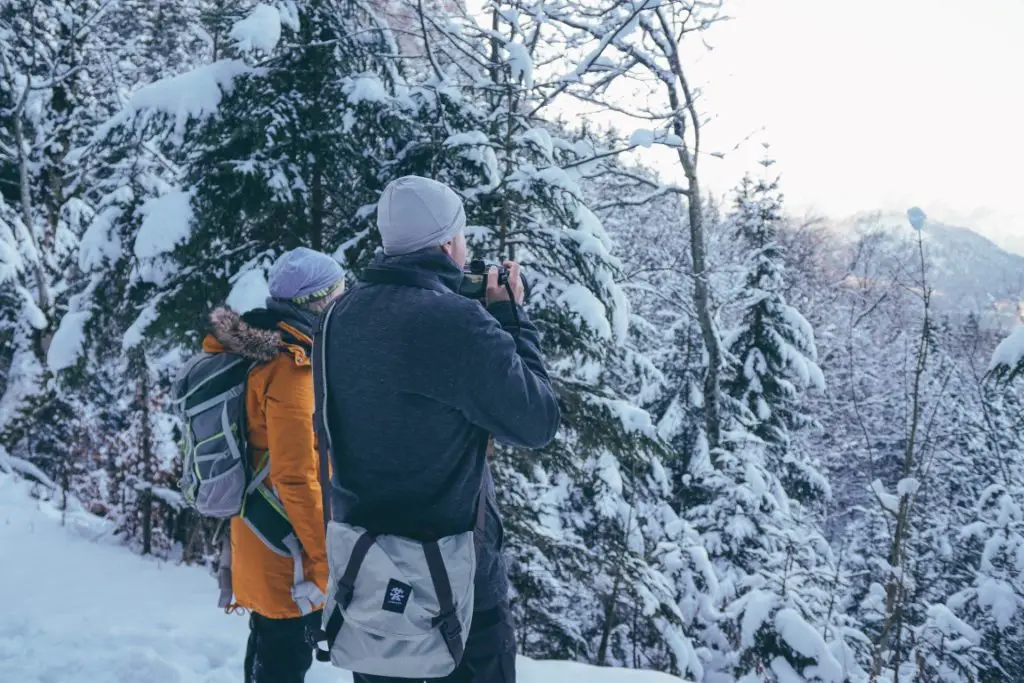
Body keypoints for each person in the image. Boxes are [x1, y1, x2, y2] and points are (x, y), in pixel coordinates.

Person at [320, 175, 561, 682]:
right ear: (449, 242)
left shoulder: (339, 315)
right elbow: (537, 420)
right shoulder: (454, 323)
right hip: (456, 584)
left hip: (370, 577)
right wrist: (512, 318)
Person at [201, 247, 345, 683]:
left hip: (256, 529)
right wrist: (327, 562)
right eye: (340, 293)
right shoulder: (292, 366)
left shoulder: (254, 349)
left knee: (266, 649)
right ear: (319, 302)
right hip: (289, 548)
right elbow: (297, 475)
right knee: (281, 658)